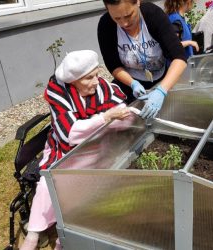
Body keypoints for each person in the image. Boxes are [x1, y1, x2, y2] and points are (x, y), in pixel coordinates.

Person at [20, 50, 134, 250]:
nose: (97, 81)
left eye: (97, 74)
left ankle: (65, 237)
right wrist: (105, 118)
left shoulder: (103, 87)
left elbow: (121, 109)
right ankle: (33, 234)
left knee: (88, 189)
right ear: (74, 81)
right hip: (64, 149)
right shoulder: (58, 92)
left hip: (96, 147)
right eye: (89, 78)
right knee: (49, 184)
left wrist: (125, 115)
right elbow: (69, 133)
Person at [97, 0, 187, 119]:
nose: (124, 23)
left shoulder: (153, 14)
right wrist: (132, 83)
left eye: (128, 15)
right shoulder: (106, 24)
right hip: (128, 85)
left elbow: (179, 57)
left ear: (138, 2)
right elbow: (112, 65)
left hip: (162, 81)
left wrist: (162, 90)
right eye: (117, 18)